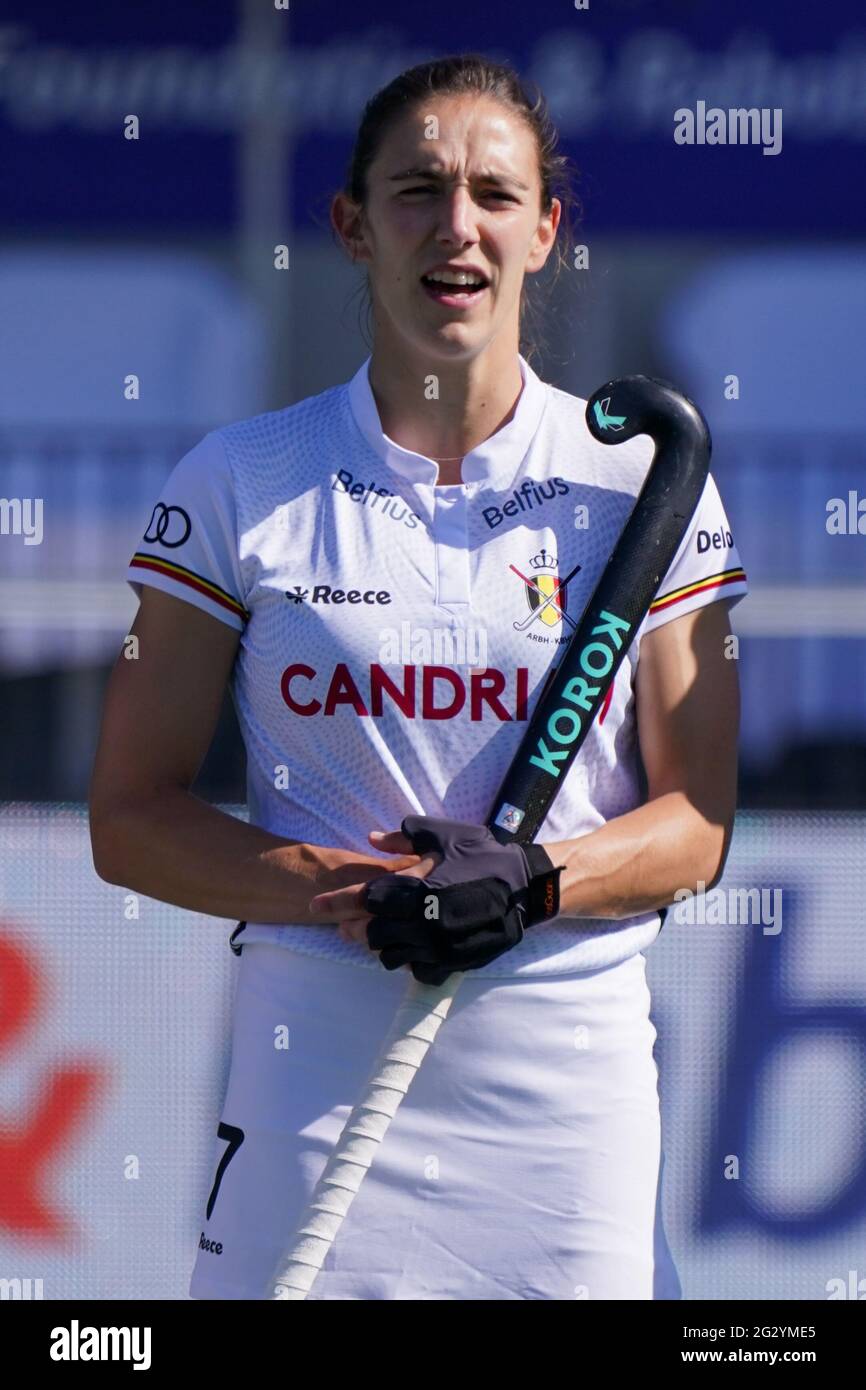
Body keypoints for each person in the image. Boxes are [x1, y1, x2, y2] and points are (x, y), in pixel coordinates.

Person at [89, 53, 747, 1301]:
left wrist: (536, 879)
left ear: (546, 229)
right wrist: (361, 891)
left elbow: (699, 822)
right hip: (315, 1070)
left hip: (565, 1097)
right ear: (349, 226)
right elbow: (128, 819)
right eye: (416, 190)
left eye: (495, 194)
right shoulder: (240, 480)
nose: (458, 226)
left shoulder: (644, 491)